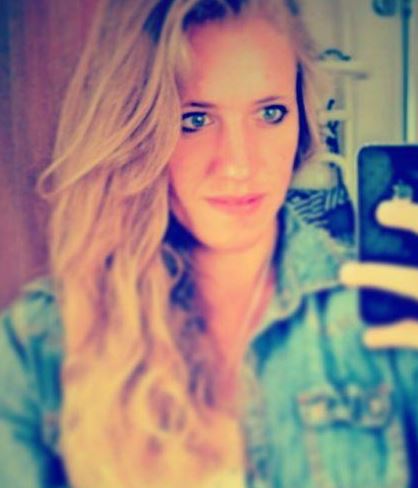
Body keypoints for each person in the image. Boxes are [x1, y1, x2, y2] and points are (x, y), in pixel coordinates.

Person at [0, 0, 417, 486]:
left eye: (270, 113)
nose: (239, 164)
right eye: (195, 119)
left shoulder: (385, 315)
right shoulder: (38, 343)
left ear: (302, 120)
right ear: (137, 132)